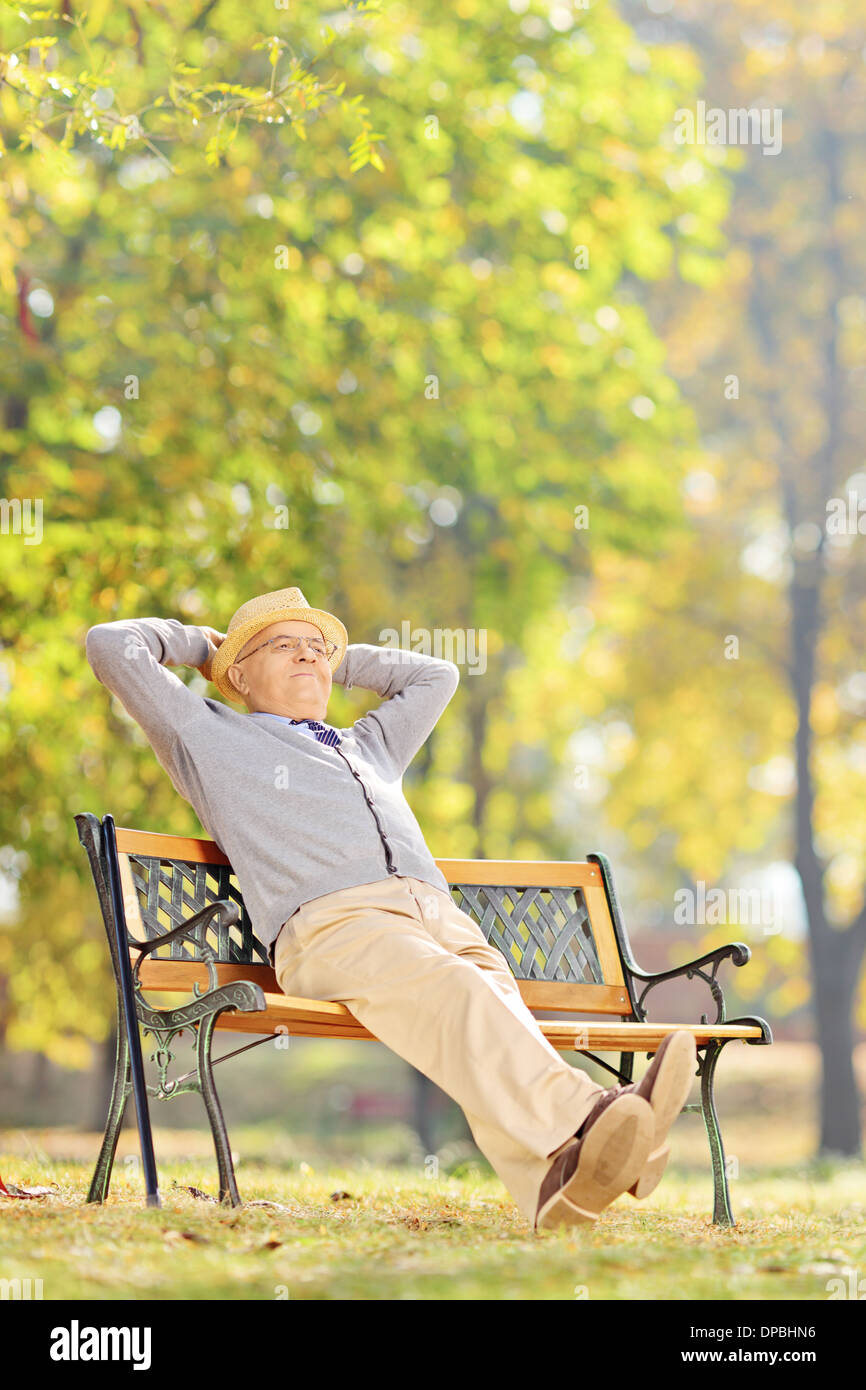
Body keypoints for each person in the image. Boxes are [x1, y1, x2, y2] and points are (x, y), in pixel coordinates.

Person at [85, 585, 696, 1230]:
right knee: (460, 992)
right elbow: (110, 646)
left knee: (490, 1009)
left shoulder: (368, 745)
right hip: (332, 926)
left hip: (438, 916)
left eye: (315, 647)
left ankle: (558, 1184)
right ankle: (601, 1117)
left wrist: (336, 657)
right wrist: (200, 645)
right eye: (282, 646)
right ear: (237, 671)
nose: (306, 657)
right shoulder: (205, 733)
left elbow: (436, 675)